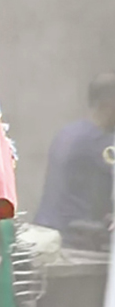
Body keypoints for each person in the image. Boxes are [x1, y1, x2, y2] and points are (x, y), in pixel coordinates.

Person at [34, 72, 115, 248]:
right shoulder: (101, 142)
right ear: (109, 104)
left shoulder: (69, 132)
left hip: (47, 233)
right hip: (73, 239)